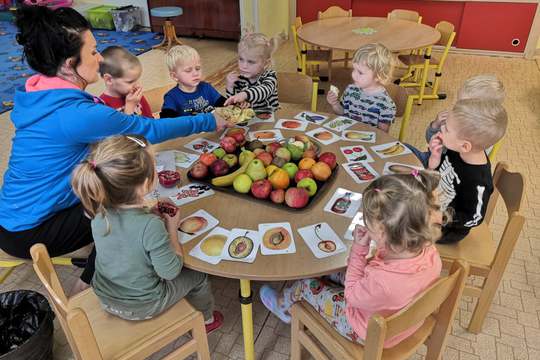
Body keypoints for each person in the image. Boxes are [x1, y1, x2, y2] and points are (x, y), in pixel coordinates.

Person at [0, 5, 228, 293]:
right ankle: (92, 285)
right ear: (70, 64)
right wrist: (209, 119)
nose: (99, 59)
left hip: (13, 214)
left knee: (111, 180)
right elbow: (150, 129)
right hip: (30, 230)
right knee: (127, 207)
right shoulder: (75, 114)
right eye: (93, 52)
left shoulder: (39, 92)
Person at [260, 171, 444, 348]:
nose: (365, 224)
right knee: (334, 273)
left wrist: (359, 248)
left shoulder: (382, 281)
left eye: (368, 222)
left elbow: (352, 295)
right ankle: (318, 287)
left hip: (366, 331)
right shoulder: (429, 250)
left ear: (382, 232)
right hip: (404, 318)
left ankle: (283, 307)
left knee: (307, 284)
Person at [71, 135, 223, 331]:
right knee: (198, 276)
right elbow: (170, 272)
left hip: (105, 295)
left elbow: (125, 240)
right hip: (143, 306)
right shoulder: (150, 226)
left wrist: (149, 214)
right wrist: (171, 228)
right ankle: (206, 320)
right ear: (145, 185)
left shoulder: (97, 211)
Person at [428, 98, 507, 243]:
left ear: (465, 146)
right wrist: (435, 158)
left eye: (446, 129)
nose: (441, 130)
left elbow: (474, 218)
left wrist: (441, 217)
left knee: (396, 224)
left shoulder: (479, 181)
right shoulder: (456, 149)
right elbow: (438, 174)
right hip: (430, 202)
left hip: (444, 229)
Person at [408, 74, 505, 167]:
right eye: (458, 103)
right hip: (433, 159)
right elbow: (431, 142)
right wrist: (435, 125)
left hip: (441, 169)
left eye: (462, 105)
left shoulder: (477, 140)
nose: (457, 109)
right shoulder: (455, 119)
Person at [326, 43, 396, 133]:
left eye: (360, 72)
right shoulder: (351, 89)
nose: (354, 74)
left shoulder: (386, 104)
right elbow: (342, 112)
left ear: (378, 76)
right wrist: (335, 103)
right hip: (345, 135)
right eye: (354, 69)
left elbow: (382, 135)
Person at [160, 45, 226, 118]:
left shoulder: (206, 87)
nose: (195, 73)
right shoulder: (171, 97)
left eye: (197, 68)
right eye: (188, 70)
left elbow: (223, 104)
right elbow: (166, 122)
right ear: (175, 76)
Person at [224, 32, 280, 114]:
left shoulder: (270, 75)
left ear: (265, 63)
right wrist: (230, 87)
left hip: (270, 119)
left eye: (251, 62)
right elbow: (233, 107)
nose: (244, 66)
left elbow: (264, 90)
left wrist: (244, 95)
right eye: (241, 59)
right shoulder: (240, 78)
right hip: (248, 120)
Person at [98, 45, 153, 117]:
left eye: (137, 79)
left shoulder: (134, 95)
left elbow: (150, 121)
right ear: (109, 79)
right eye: (130, 82)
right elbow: (120, 128)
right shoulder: (102, 106)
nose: (137, 85)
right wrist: (130, 107)